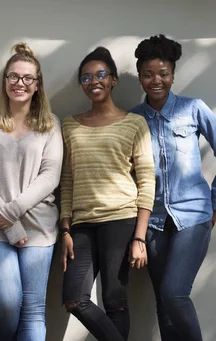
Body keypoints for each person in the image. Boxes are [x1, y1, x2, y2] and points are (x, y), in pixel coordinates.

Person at [0, 42, 62, 341]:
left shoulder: (50, 125)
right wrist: (7, 223)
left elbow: (50, 176)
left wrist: (13, 213)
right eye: (13, 76)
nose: (19, 83)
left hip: (39, 227)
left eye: (27, 78)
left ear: (37, 85)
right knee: (8, 302)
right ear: (4, 80)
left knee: (33, 310)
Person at [60, 47, 155, 341]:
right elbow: (67, 180)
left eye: (101, 74)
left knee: (115, 299)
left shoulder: (134, 123)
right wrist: (64, 227)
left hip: (122, 220)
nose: (94, 81)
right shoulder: (70, 125)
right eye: (86, 77)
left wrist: (139, 237)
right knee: (74, 298)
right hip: (82, 224)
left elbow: (147, 181)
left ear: (113, 79)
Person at [130, 34, 216, 341]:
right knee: (163, 305)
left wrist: (214, 202)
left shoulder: (193, 109)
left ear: (173, 75)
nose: (156, 80)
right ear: (140, 77)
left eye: (163, 74)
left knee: (174, 294)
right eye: (149, 74)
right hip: (153, 221)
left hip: (193, 216)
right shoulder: (133, 120)